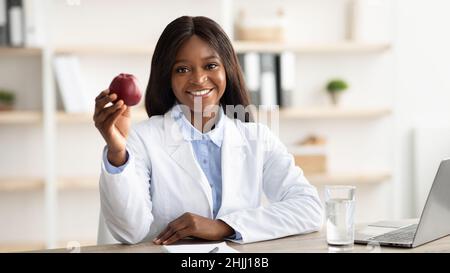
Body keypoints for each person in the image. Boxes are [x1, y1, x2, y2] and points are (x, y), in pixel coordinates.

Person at [93, 16, 323, 245]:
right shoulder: (142, 139)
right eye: (182, 69)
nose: (199, 79)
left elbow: (310, 209)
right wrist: (116, 152)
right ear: (168, 77)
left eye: (211, 65)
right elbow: (130, 232)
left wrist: (223, 227)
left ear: (227, 70)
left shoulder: (257, 137)